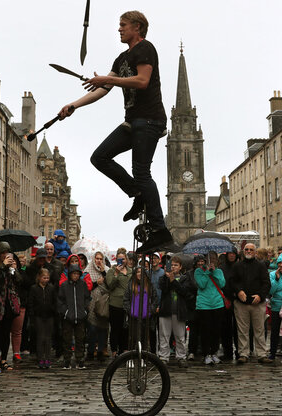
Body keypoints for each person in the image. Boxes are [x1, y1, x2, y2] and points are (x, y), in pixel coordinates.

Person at [58, 10, 173, 253]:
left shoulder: (146, 49)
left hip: (150, 120)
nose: (119, 29)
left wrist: (107, 81)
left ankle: (160, 231)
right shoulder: (121, 58)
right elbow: (103, 88)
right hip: (133, 122)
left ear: (137, 27)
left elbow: (142, 80)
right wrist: (73, 105)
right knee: (99, 157)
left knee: (141, 171)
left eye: (123, 25)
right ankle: (137, 193)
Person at [231, 243, 271, 364]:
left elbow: (266, 283)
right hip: (241, 303)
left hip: (257, 303)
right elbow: (232, 281)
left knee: (259, 330)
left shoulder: (261, 266)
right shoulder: (237, 266)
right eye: (246, 249)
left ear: (255, 252)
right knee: (242, 331)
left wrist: (260, 295)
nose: (248, 251)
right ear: (243, 251)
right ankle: (243, 353)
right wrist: (238, 291)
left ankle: (262, 354)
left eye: (251, 250)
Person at [157, 256, 195, 368]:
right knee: (164, 335)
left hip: (179, 311)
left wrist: (173, 280)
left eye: (176, 265)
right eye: (171, 265)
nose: (173, 267)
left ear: (180, 267)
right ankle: (163, 357)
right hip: (166, 310)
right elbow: (163, 289)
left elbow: (185, 293)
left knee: (180, 336)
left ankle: (181, 357)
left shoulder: (185, 278)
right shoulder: (163, 278)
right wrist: (168, 278)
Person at [193, 254, 225, 366]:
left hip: (217, 304)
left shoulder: (219, 272)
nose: (212, 261)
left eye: (214, 259)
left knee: (216, 330)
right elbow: (201, 285)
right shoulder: (198, 271)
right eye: (209, 259)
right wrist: (207, 272)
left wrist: (214, 272)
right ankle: (206, 354)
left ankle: (214, 352)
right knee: (205, 331)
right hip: (204, 305)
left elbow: (222, 284)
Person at [58, 265, 91, 369]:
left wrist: (85, 311)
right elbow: (60, 301)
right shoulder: (64, 286)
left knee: (80, 339)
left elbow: (87, 298)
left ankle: (80, 359)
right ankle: (67, 359)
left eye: (77, 274)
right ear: (70, 275)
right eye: (74, 274)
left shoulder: (83, 284)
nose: (75, 276)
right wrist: (66, 312)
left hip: (80, 316)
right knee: (67, 339)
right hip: (68, 317)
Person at [123, 264, 158, 354]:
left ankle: (143, 357)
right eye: (137, 272)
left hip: (146, 317)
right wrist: (130, 311)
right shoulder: (130, 285)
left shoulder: (150, 285)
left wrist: (151, 310)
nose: (139, 274)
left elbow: (155, 299)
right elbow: (126, 300)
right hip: (133, 317)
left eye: (142, 272)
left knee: (144, 339)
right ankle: (131, 358)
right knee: (132, 338)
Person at [29, 268, 57, 369]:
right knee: (40, 338)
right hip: (38, 316)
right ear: (39, 278)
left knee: (48, 338)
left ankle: (48, 358)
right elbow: (31, 303)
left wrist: (53, 310)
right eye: (44, 277)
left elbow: (54, 301)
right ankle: (40, 358)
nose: (46, 280)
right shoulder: (34, 288)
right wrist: (32, 315)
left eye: (47, 278)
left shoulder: (51, 288)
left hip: (49, 315)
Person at [85, 251, 110, 361]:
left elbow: (111, 285)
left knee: (103, 327)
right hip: (92, 302)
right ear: (93, 259)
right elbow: (85, 287)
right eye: (97, 258)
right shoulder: (87, 270)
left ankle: (101, 350)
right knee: (92, 328)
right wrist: (96, 283)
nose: (98, 261)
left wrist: (104, 272)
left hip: (104, 303)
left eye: (101, 259)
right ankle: (91, 350)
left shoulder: (108, 270)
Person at [106, 250, 132, 356]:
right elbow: (110, 285)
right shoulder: (112, 271)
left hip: (128, 303)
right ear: (116, 259)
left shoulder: (131, 271)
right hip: (115, 303)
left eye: (123, 258)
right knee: (115, 328)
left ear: (126, 260)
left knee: (126, 328)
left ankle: (124, 349)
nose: (121, 260)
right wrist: (116, 273)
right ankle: (114, 350)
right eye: (119, 259)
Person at [218, 249, 238, 361]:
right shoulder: (222, 268)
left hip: (237, 299)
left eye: (233, 254)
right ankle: (227, 351)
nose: (231, 256)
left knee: (238, 327)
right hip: (225, 299)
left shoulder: (239, 266)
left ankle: (239, 351)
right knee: (225, 328)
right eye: (230, 254)